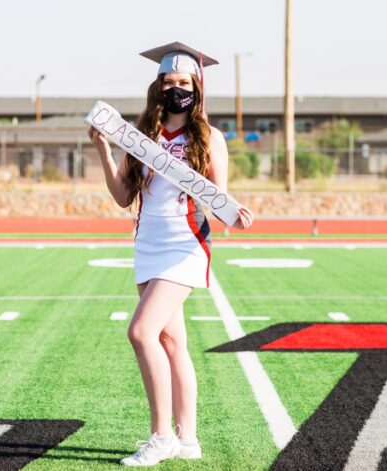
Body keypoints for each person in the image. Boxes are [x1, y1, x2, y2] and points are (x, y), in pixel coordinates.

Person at [88, 41, 254, 466]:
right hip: (148, 243)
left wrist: (234, 214)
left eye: (184, 82)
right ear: (157, 86)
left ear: (197, 87)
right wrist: (105, 151)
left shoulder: (210, 138)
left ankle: (161, 436)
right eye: (168, 81)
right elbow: (124, 196)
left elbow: (218, 198)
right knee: (171, 340)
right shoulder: (141, 136)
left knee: (141, 332)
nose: (176, 88)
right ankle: (188, 439)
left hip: (186, 244)